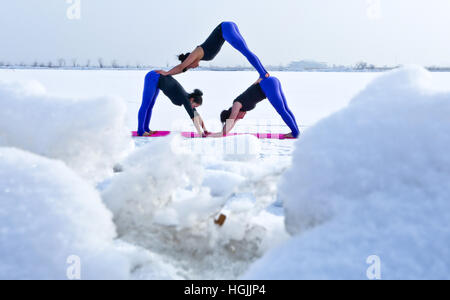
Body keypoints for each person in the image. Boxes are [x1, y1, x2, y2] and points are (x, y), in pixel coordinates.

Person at [155, 22, 269, 79]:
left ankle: (263, 74)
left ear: (190, 60)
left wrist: (167, 73)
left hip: (225, 28)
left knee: (246, 52)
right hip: (228, 27)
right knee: (246, 51)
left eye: (191, 66)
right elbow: (183, 69)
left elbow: (181, 67)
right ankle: (263, 73)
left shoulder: (197, 52)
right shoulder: (202, 56)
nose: (194, 67)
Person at [210, 76, 300, 138]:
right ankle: (296, 132)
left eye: (238, 118)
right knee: (285, 109)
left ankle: (295, 133)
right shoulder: (242, 109)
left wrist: (221, 133)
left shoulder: (236, 104)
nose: (241, 118)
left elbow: (232, 119)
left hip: (267, 85)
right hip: (271, 82)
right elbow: (233, 122)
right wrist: (224, 132)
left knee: (282, 111)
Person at [137, 71, 208, 137]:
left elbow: (196, 115)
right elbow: (194, 118)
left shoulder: (188, 98)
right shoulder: (185, 99)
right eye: (195, 105)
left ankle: (146, 128)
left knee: (150, 106)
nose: (193, 107)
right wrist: (200, 133)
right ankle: (140, 131)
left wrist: (205, 130)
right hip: (153, 77)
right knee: (146, 105)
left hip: (158, 80)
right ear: (192, 100)